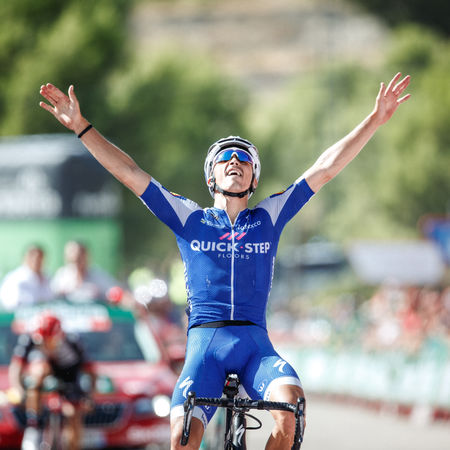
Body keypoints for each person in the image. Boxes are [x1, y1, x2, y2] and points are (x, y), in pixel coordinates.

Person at [39, 72, 410, 449]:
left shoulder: (268, 217)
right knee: (183, 437)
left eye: (245, 159)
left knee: (291, 412)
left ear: (253, 179)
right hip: (205, 347)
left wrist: (374, 121)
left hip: (255, 347)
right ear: (211, 177)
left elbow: (324, 169)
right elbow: (129, 173)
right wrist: (82, 127)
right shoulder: (190, 218)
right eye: (225, 158)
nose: (235, 160)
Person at [9, 312, 95, 450]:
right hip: (44, 369)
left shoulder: (72, 341)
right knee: (38, 372)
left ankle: (73, 445)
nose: (46, 345)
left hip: (69, 374)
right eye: (42, 341)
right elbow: (16, 367)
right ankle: (34, 425)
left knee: (73, 413)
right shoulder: (29, 339)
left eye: (50, 341)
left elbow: (90, 370)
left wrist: (89, 395)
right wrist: (19, 390)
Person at [51, 240, 117, 303]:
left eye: (79, 258)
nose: (75, 259)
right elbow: (52, 297)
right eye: (72, 258)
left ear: (86, 256)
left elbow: (114, 292)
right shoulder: (61, 276)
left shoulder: (98, 276)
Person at [0, 245, 53, 311]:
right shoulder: (14, 279)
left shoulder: (47, 277)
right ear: (25, 258)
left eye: (39, 258)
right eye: (32, 256)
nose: (36, 260)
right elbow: (11, 305)